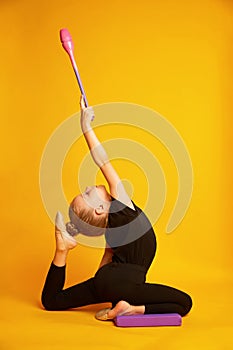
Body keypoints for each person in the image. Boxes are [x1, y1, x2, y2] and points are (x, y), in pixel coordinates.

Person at [41, 97, 192, 320]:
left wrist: (97, 284)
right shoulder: (120, 208)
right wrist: (86, 127)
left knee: (53, 301)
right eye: (87, 194)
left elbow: (107, 258)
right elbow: (103, 161)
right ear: (101, 208)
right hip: (124, 283)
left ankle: (62, 251)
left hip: (107, 282)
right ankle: (130, 309)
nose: (88, 186)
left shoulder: (112, 231)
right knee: (184, 303)